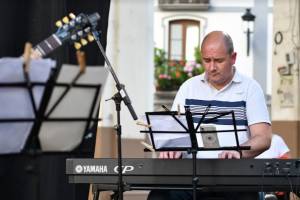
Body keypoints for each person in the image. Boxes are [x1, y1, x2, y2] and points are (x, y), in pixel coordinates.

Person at [147, 31, 272, 200]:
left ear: (233, 57)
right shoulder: (188, 88)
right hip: (190, 176)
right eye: (206, 60)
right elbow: (174, 136)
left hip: (234, 178)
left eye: (219, 60)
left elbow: (263, 138)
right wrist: (171, 147)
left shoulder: (251, 88)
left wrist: (238, 151)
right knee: (158, 196)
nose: (212, 67)